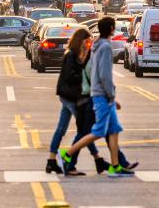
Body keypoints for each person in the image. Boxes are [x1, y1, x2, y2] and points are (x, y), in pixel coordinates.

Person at [57, 16, 133, 177]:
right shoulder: (105, 47)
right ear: (112, 29)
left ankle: (115, 165)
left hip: (101, 94)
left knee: (114, 130)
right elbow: (104, 74)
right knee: (98, 131)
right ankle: (68, 153)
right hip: (102, 95)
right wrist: (111, 94)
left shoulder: (97, 46)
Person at [47, 28, 103, 175]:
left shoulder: (77, 54)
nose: (88, 43)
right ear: (80, 40)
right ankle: (88, 161)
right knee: (84, 131)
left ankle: (51, 161)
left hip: (68, 96)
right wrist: (83, 72)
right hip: (71, 97)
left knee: (62, 128)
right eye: (87, 41)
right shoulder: (71, 55)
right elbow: (71, 76)